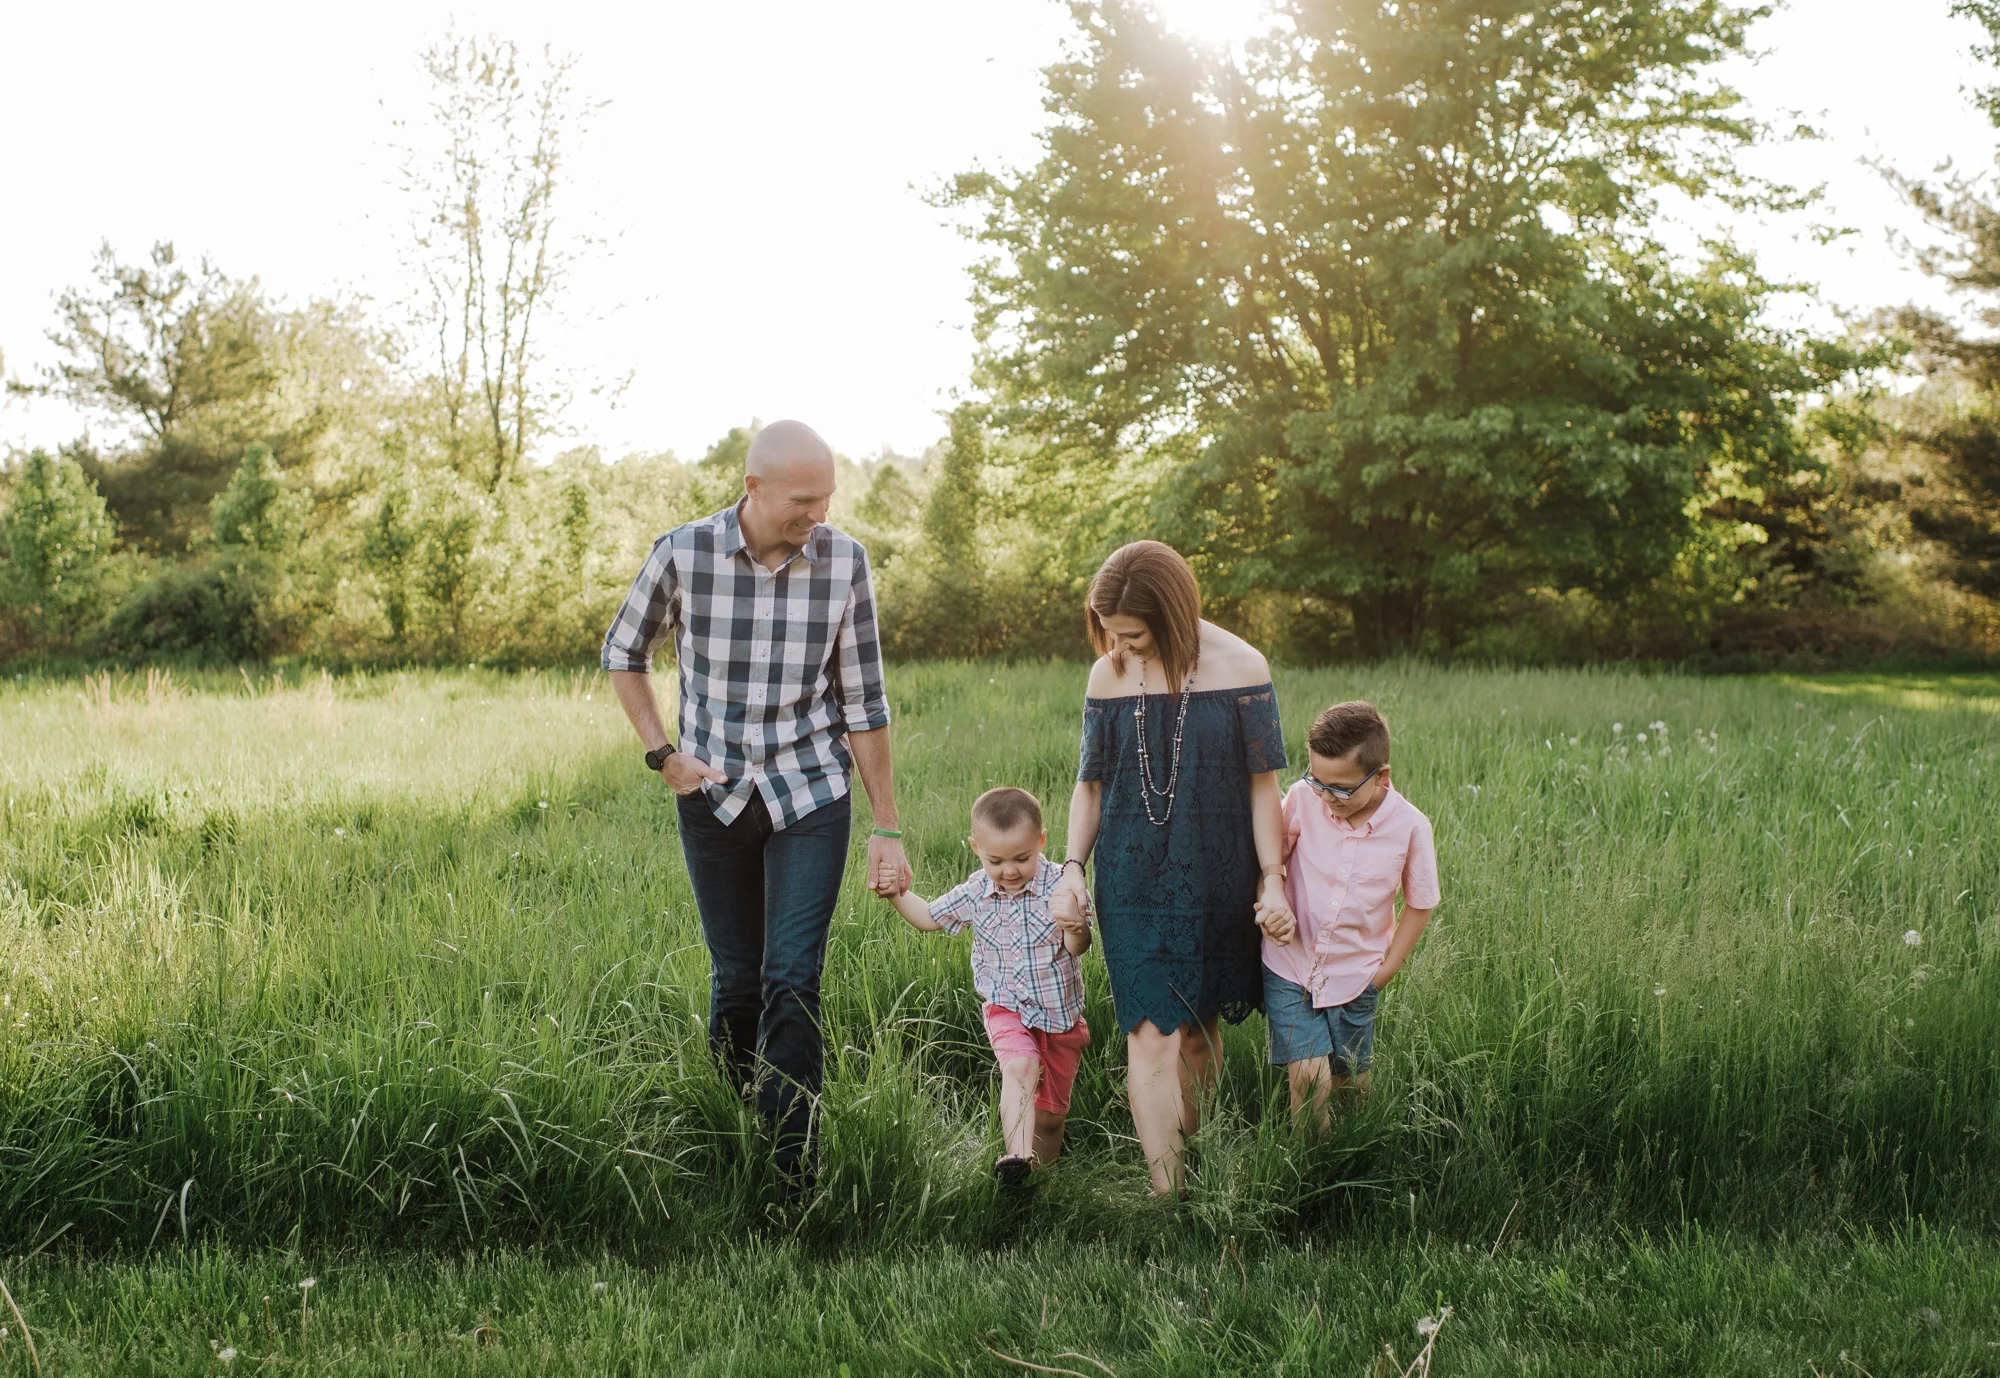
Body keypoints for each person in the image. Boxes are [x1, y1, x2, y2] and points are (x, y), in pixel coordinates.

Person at [601, 419, 911, 1192]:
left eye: (826, 499)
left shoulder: (845, 562)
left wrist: (887, 825)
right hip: (714, 796)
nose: (819, 514)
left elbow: (865, 700)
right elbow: (623, 652)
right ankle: (732, 1128)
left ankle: (789, 1173)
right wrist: (662, 753)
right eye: (804, 500)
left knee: (793, 977)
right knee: (737, 978)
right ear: (754, 488)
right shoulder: (684, 553)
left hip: (812, 792)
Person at [1050, 541, 1294, 1197]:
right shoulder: (1107, 675)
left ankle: (1196, 1159)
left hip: (1219, 873)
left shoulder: (1242, 667)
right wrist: (1072, 867)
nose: (1120, 647)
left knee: (1198, 1033)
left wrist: (1272, 878)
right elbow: (1090, 786)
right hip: (1130, 876)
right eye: (1111, 633)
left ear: (1173, 614)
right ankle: (1169, 1198)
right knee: (1152, 1032)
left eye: (1134, 634)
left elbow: (1263, 787)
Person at [880, 787, 1091, 1185]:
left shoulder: (1062, 886)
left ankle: (1035, 1182)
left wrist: (1076, 926)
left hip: (1059, 1019)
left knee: (1049, 1118)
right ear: (976, 848)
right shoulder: (977, 891)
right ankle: (1017, 1156)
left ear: (1041, 840)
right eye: (996, 861)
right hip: (1006, 1009)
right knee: (1020, 1066)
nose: (1009, 870)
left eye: (1021, 858)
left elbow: (1079, 947)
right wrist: (895, 894)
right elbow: (929, 917)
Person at [1258, 700, 1439, 1130]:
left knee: (1351, 1082)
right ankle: (1312, 1159)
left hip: (1357, 975)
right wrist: (1270, 902)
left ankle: (1352, 1148)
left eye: (1339, 788)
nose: (1325, 796)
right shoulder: (1303, 800)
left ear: (1381, 777)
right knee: (1309, 1078)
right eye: (1317, 780)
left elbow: (1420, 903)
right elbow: (1270, 862)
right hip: (1291, 965)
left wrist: (1387, 969)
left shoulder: (1410, 827)